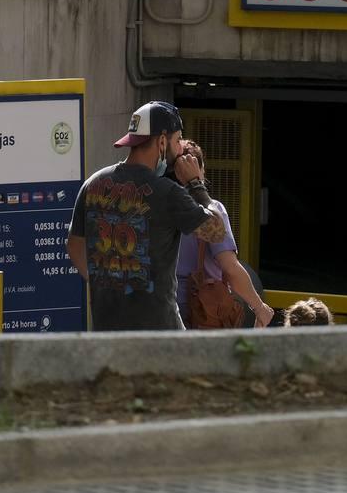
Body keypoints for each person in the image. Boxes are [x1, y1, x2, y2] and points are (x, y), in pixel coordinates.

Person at [67, 102, 229, 331]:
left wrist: (108, 283)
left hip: (106, 328)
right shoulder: (167, 192)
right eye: (177, 140)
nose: (180, 150)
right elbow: (216, 232)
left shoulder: (93, 183)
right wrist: (196, 184)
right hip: (159, 333)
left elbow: (74, 246)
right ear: (162, 141)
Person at [172, 140, 275, 329]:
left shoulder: (158, 205)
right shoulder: (212, 210)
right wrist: (260, 308)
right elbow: (230, 267)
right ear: (199, 170)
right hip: (204, 315)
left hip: (165, 313)